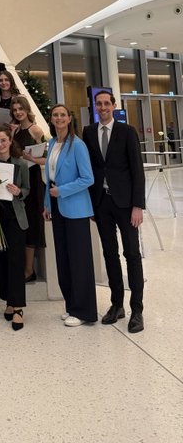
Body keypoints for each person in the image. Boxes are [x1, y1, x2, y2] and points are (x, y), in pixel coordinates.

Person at [82, 90, 146, 333]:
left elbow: (137, 170)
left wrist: (138, 205)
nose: (102, 107)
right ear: (94, 106)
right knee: (110, 254)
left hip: (126, 203)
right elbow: (89, 168)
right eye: (98, 104)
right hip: (101, 203)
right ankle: (117, 305)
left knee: (132, 254)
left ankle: (137, 310)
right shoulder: (89, 132)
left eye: (106, 103)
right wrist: (91, 204)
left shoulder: (127, 131)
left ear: (113, 105)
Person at [44, 104, 97, 327]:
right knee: (64, 259)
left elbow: (88, 178)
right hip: (57, 207)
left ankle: (85, 311)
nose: (59, 118)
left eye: (62, 115)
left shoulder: (78, 145)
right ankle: (72, 306)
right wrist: (47, 204)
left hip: (75, 209)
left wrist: (62, 191)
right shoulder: (52, 143)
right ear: (51, 119)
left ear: (69, 118)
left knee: (79, 260)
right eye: (55, 115)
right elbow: (50, 178)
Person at [0, 125, 30, 330]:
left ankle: (18, 308)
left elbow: (27, 189)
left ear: (10, 141)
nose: (0, 144)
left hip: (15, 218)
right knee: (1, 262)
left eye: (3, 140)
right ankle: (9, 302)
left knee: (16, 262)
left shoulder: (21, 163)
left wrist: (19, 191)